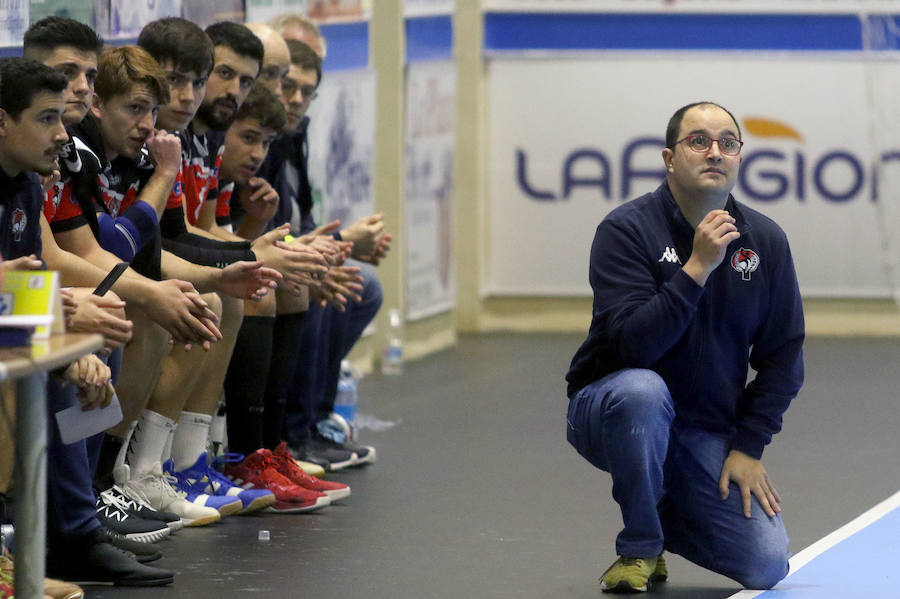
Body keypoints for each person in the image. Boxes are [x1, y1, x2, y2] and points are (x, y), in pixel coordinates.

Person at [565, 101, 805, 593]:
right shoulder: (626, 230)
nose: (714, 151)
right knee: (644, 392)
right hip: (609, 409)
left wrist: (747, 445)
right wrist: (696, 269)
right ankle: (640, 547)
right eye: (698, 141)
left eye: (728, 143)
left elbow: (784, 357)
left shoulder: (766, 241)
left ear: (739, 158)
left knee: (766, 563)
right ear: (669, 158)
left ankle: (660, 497)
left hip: (702, 432)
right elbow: (632, 346)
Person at [0, 55, 175, 587]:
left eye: (61, 118)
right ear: (2, 121)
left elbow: (30, 277)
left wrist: (73, 339)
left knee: (100, 335)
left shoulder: (26, 182)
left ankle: (70, 527)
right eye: (45, 119)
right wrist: (60, 334)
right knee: (32, 367)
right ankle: (42, 536)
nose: (61, 134)